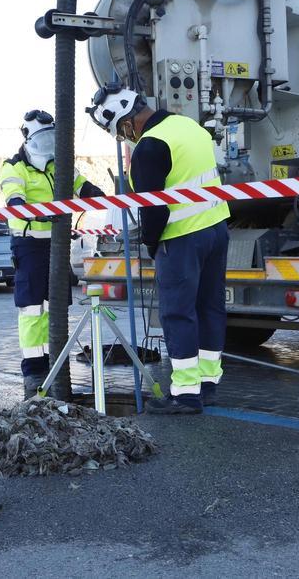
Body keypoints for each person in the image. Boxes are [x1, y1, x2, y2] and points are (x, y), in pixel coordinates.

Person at [87, 84, 229, 414]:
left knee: (177, 313)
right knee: (210, 308)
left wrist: (151, 243)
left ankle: (185, 395)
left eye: (121, 133)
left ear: (125, 122)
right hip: (217, 228)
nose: (125, 139)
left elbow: (154, 209)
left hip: (181, 238)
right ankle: (207, 384)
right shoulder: (187, 125)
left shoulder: (150, 147)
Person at [0, 109, 106, 397]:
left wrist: (95, 194)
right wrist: (41, 213)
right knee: (33, 309)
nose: (47, 145)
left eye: (51, 139)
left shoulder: (59, 164)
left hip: (57, 245)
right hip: (30, 245)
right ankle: (34, 371)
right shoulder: (14, 167)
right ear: (27, 138)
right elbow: (15, 200)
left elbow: (80, 184)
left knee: (56, 307)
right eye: (42, 139)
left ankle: (55, 362)